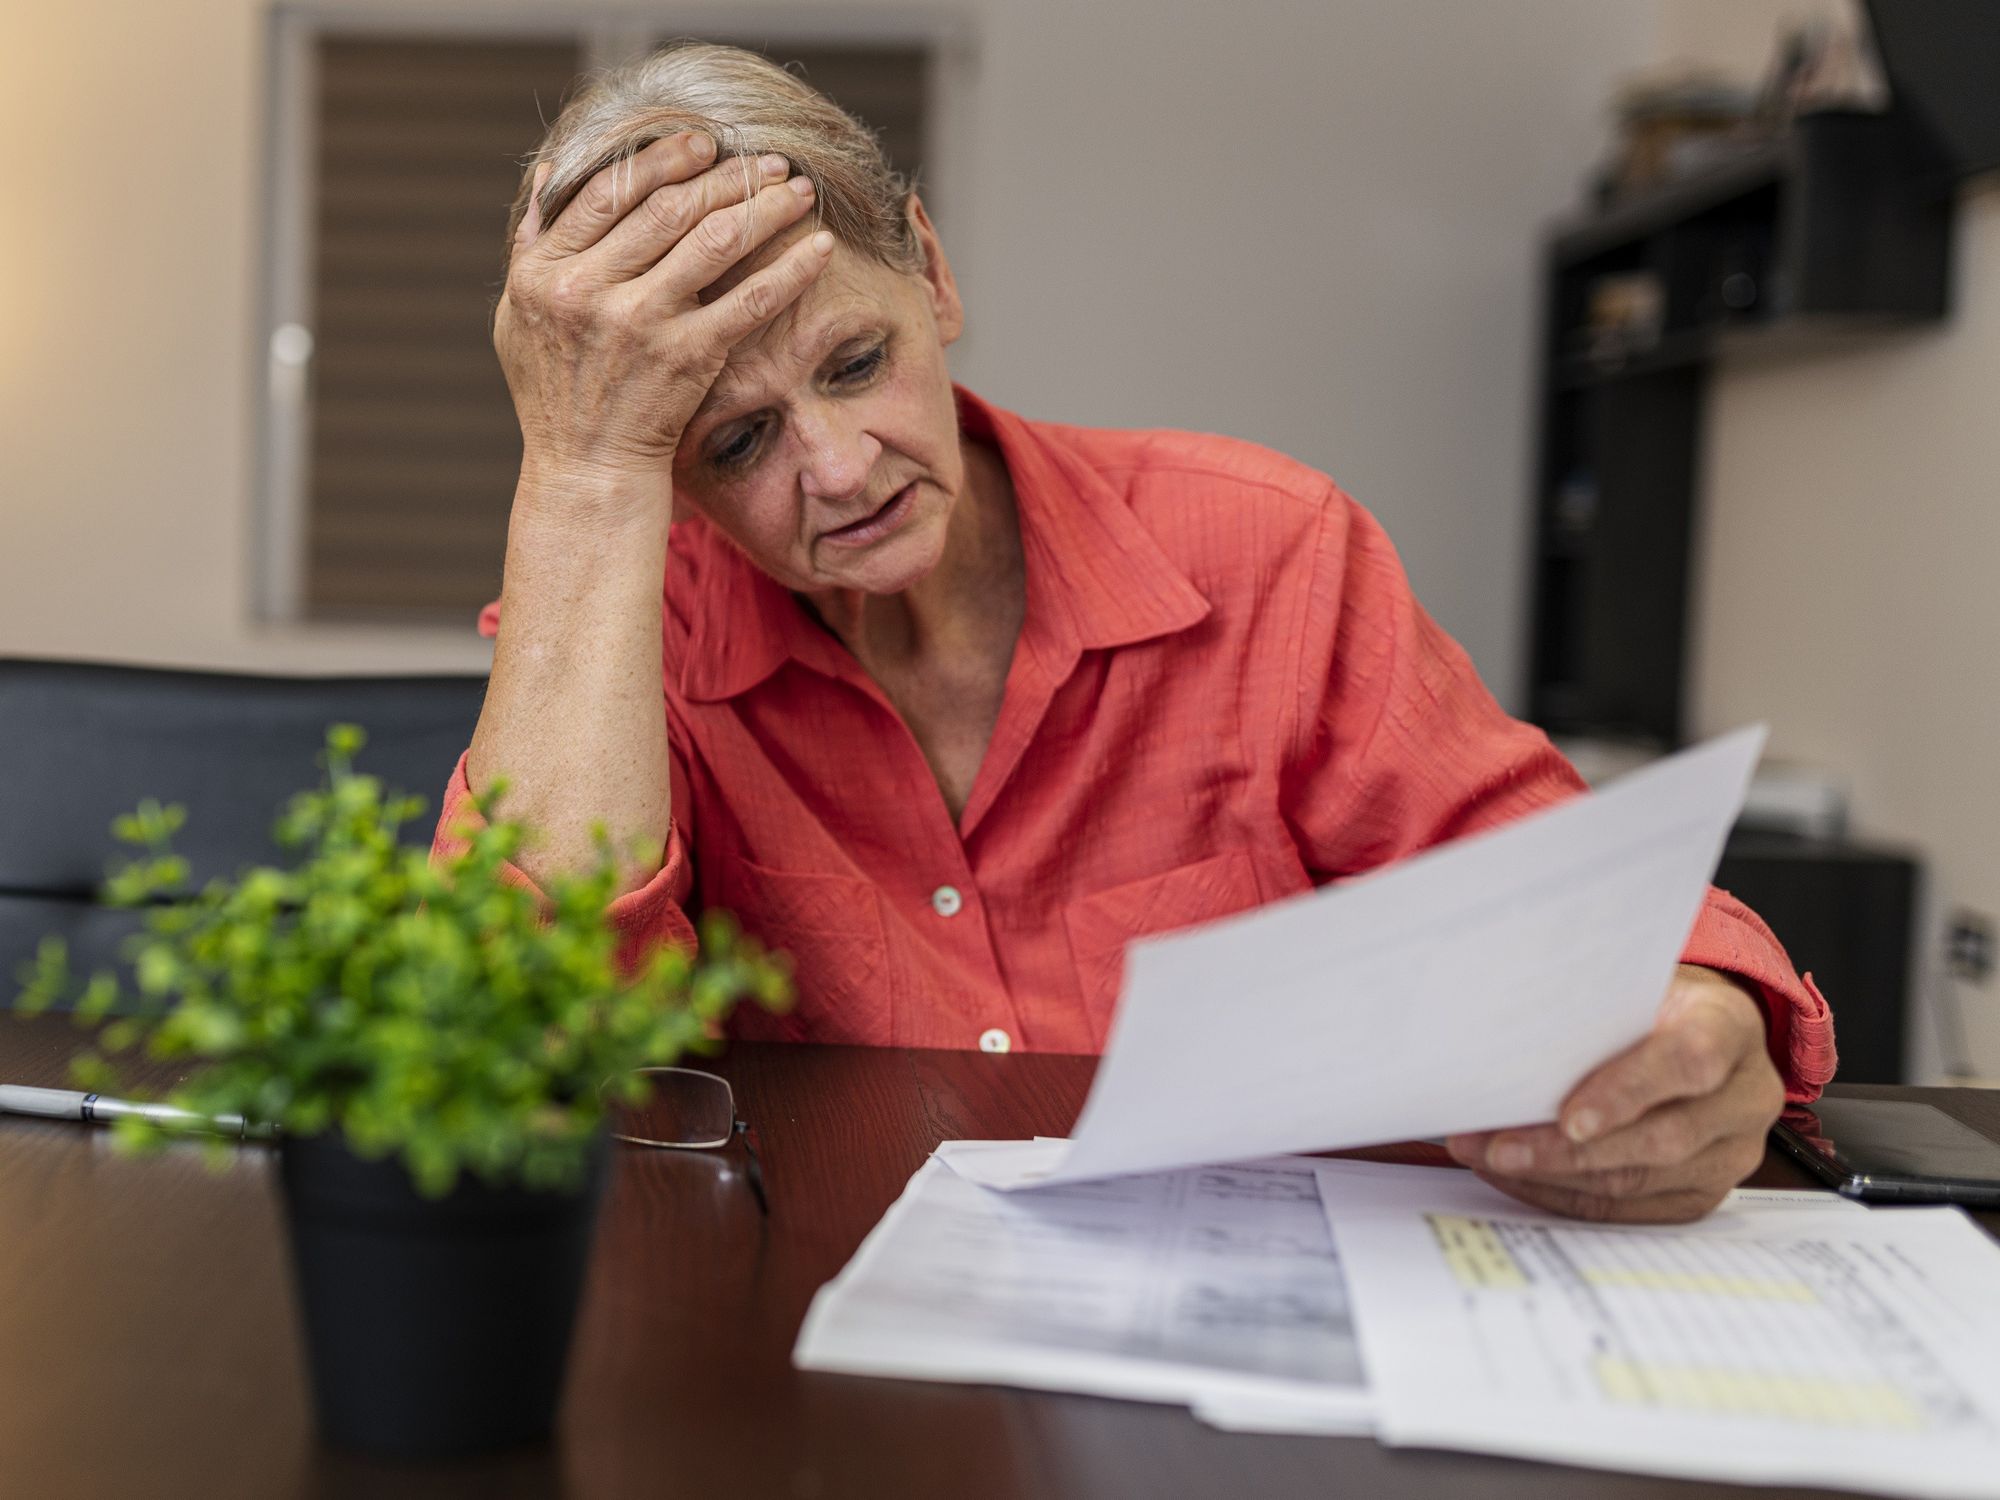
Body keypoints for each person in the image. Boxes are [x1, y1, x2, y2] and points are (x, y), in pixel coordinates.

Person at [434, 42, 1835, 1224]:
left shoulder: (1265, 550)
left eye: (857, 364)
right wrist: (581, 475)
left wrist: (1703, 1014)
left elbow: (1563, 902)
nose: (843, 469)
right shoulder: (636, 625)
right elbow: (512, 1050)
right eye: (736, 441)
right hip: (814, 1356)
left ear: (929, 270)